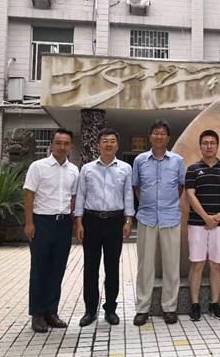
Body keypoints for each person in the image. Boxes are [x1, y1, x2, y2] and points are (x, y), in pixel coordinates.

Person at [74, 128, 135, 327]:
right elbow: (81, 195)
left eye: (112, 141)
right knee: (90, 268)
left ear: (117, 145)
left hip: (115, 222)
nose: (109, 144)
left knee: (112, 267)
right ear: (98, 145)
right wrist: (79, 222)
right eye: (105, 141)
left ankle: (110, 309)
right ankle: (90, 311)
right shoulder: (87, 169)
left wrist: (128, 221)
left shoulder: (125, 168)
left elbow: (128, 195)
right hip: (91, 221)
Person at [23, 128, 79, 333]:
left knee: (57, 269)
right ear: (51, 145)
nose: (62, 147)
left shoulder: (74, 170)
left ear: (70, 147)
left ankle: (51, 312)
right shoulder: (38, 167)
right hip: (42, 222)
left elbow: (73, 199)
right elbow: (29, 195)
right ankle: (37, 314)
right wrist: (29, 223)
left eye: (66, 143)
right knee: (40, 269)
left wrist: (75, 223)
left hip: (63, 224)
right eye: (58, 143)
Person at [132, 120, 186, 326]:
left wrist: (167, 204)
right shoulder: (139, 160)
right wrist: (148, 204)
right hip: (146, 217)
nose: (159, 136)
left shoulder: (178, 161)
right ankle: (142, 308)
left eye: (163, 133)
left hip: (170, 217)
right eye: (155, 133)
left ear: (168, 138)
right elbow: (137, 187)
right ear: (150, 136)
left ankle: (169, 308)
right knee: (145, 265)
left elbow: (180, 187)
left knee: (171, 265)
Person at [185, 129, 220, 321]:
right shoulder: (192, 169)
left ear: (217, 145)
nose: (209, 146)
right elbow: (190, 195)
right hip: (197, 223)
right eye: (205, 143)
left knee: (216, 264)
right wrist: (206, 217)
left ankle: (215, 304)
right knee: (197, 263)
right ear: (200, 146)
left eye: (212, 143)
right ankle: (195, 304)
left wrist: (219, 215)